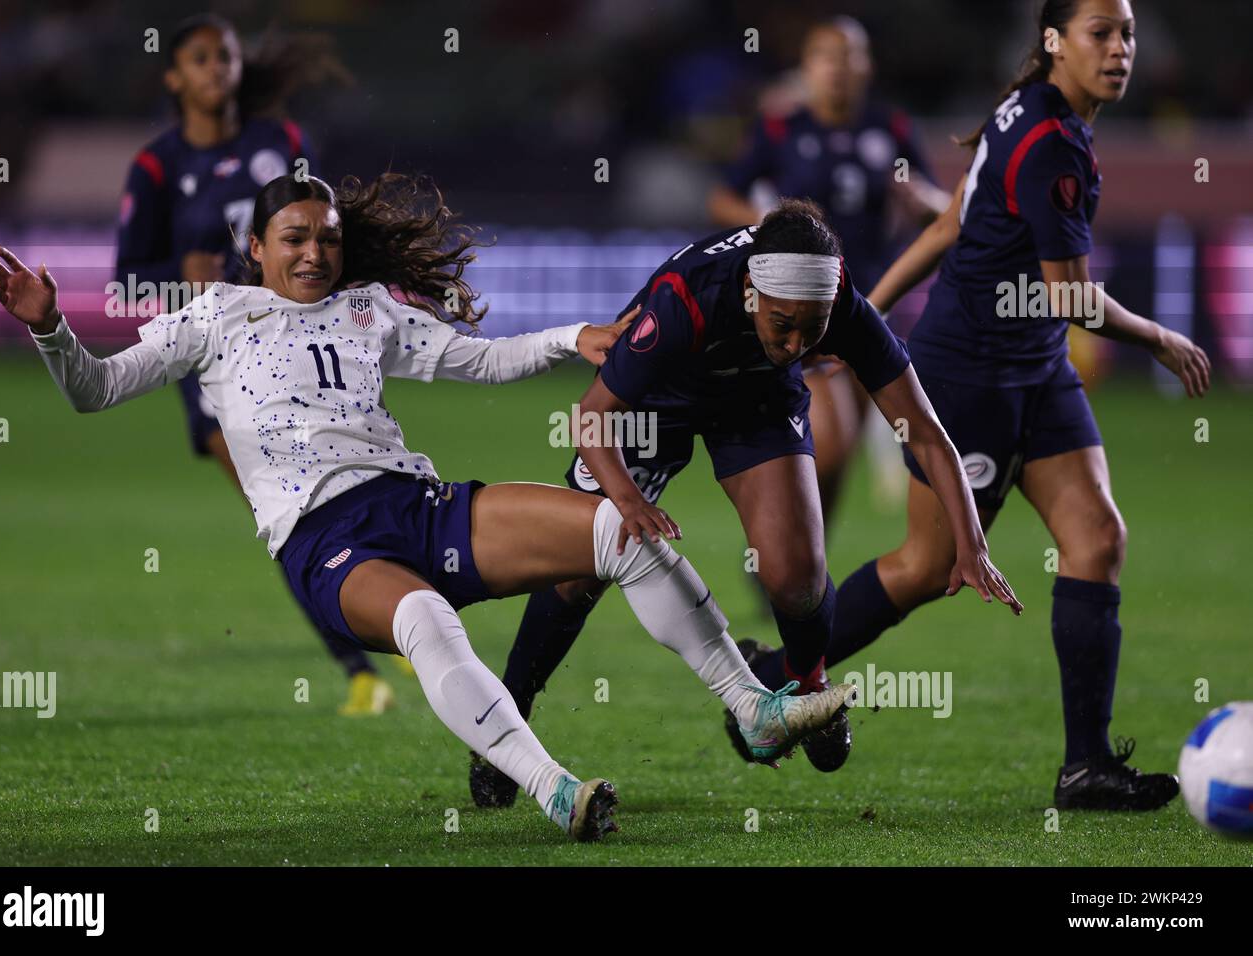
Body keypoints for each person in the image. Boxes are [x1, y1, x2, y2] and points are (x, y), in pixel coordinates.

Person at [0, 172, 855, 843]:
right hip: (325, 543)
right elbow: (94, 391)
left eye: (326, 237)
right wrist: (49, 328)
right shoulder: (211, 316)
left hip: (418, 504)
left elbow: (478, 361)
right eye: (295, 239)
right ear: (257, 249)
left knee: (617, 531)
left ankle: (754, 707)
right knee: (428, 620)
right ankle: (556, 788)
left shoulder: (370, 310)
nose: (315, 253)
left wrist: (567, 337)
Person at [469, 198, 1023, 809]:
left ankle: (806, 687)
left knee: (796, 576)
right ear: (753, 293)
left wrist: (971, 544)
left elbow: (922, 428)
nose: (794, 343)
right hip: (656, 401)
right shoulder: (686, 301)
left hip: (755, 403)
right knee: (575, 572)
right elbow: (593, 418)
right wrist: (627, 502)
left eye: (811, 330)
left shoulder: (838, 307)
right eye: (783, 324)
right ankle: (506, 722)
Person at [826, 0, 1211, 810]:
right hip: (969, 378)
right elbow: (1069, 297)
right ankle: (772, 674)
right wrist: (1160, 339)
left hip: (1034, 368)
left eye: (1127, 34)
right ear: (1053, 41)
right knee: (927, 568)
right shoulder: (1048, 143)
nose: (1118, 50)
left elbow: (951, 227)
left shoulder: (1030, 110)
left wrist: (856, 312)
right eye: (1099, 33)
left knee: (1097, 536)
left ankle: (1086, 767)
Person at [115, 14, 392, 714]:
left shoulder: (282, 143)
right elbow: (126, 285)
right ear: (174, 77)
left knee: (352, 486)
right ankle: (360, 669)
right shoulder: (156, 167)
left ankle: (393, 623)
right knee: (284, 511)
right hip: (216, 362)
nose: (217, 69)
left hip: (302, 349)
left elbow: (327, 232)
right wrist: (179, 275)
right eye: (201, 59)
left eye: (226, 57)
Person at [709, 16, 951, 522]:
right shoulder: (781, 128)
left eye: (850, 56)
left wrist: (919, 197)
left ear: (867, 66)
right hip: (804, 305)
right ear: (807, 67)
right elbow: (722, 198)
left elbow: (941, 210)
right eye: (826, 56)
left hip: (869, 306)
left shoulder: (892, 128)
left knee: (840, 459)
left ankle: (802, 563)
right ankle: (780, 554)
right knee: (833, 444)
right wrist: (770, 226)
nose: (838, 68)